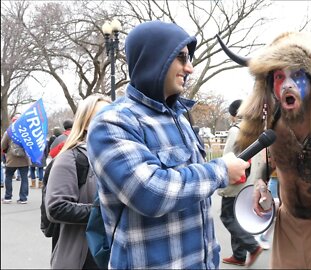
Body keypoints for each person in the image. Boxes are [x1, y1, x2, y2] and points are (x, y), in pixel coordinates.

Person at [86, 21, 250, 269]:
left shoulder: (180, 118)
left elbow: (195, 197)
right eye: (181, 57)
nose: (190, 68)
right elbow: (151, 192)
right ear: (155, 58)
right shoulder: (113, 121)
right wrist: (221, 170)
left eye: (190, 58)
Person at [218, 31, 311, 268]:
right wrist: (260, 183)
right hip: (287, 229)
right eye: (279, 76)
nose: (287, 84)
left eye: (297, 75)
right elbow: (267, 159)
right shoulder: (272, 123)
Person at [45, 94, 111, 269]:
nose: (109, 122)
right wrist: (106, 211)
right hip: (82, 256)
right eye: (101, 117)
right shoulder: (70, 158)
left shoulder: (120, 158)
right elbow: (56, 208)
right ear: (86, 123)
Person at [218, 99, 263, 267]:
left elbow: (227, 157)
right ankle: (239, 255)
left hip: (235, 181)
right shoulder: (254, 131)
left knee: (227, 216)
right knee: (237, 216)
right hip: (248, 180)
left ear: (234, 114)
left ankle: (252, 246)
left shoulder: (235, 131)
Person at [1, 115, 31, 204]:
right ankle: (23, 198)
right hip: (24, 159)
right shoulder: (26, 132)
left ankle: (8, 197)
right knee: (24, 179)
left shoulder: (9, 132)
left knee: (9, 177)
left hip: (11, 159)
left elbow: (2, 146)